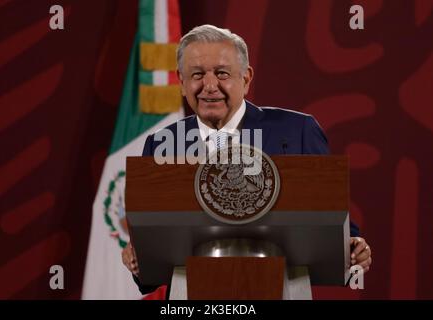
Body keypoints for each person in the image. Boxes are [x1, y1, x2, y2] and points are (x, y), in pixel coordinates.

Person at [122, 24, 372, 294]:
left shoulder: (296, 131)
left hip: (282, 289)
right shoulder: (161, 144)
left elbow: (336, 219)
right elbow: (148, 248)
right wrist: (137, 258)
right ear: (181, 82)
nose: (209, 86)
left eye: (222, 73)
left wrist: (354, 246)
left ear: (246, 78)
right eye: (197, 75)